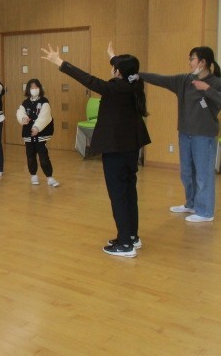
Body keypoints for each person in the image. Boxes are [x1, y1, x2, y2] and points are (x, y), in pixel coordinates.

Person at [43, 43, 151, 257]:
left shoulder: (115, 87)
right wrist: (112, 56)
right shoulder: (133, 84)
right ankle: (131, 236)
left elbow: (88, 79)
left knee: (118, 195)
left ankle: (125, 245)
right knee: (129, 192)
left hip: (116, 149)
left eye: (115, 66)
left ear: (118, 71)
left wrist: (60, 62)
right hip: (130, 147)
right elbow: (123, 68)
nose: (112, 67)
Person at [138, 46, 221, 222]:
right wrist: (138, 74)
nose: (189, 63)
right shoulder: (184, 80)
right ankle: (191, 204)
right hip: (185, 134)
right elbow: (161, 79)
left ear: (203, 62)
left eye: (192, 59)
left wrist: (206, 88)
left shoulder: (217, 83)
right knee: (187, 172)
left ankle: (205, 212)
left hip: (204, 136)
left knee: (203, 175)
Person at [16, 79, 59, 187]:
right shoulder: (25, 103)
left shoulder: (44, 102)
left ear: (40, 88)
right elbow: (20, 112)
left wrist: (37, 128)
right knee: (30, 156)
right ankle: (33, 175)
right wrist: (23, 118)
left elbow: (45, 116)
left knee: (43, 157)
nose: (34, 89)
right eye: (32, 87)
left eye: (36, 87)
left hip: (40, 135)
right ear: (28, 89)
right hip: (28, 135)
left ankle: (49, 177)